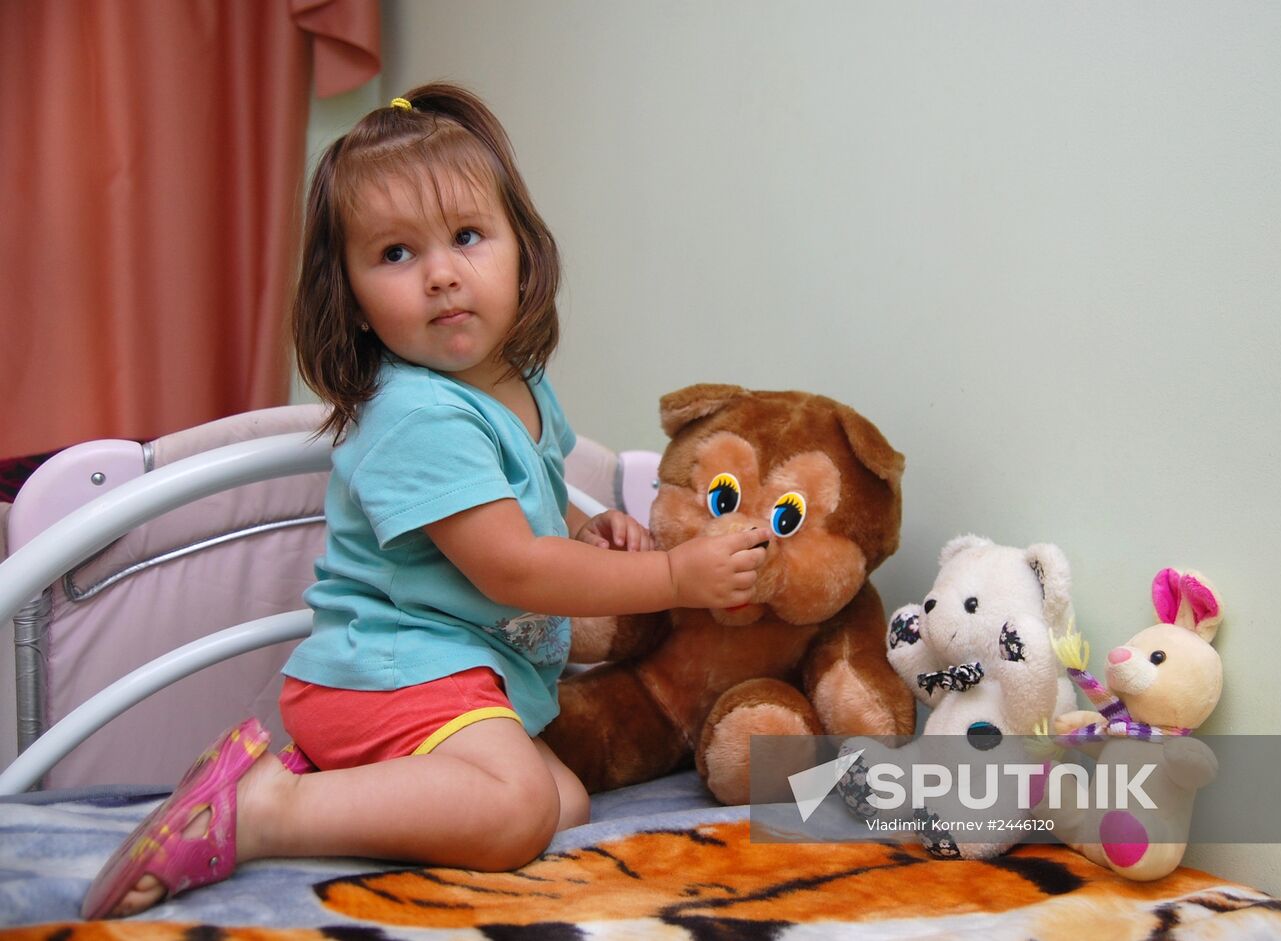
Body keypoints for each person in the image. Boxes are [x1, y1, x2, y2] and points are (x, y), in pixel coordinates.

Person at [82, 82, 768, 920]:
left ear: (523, 251)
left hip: (458, 679)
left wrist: (594, 526)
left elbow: (534, 497)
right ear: (358, 303)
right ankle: (264, 809)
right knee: (515, 810)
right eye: (397, 255)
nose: (442, 274)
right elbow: (512, 565)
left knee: (563, 801)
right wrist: (674, 576)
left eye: (468, 237)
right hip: (388, 674)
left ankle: (321, 783)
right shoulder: (415, 415)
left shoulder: (520, 383)